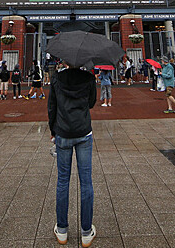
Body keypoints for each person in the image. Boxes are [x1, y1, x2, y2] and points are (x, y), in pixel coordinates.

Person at [48, 62, 97, 247]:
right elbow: (91, 103)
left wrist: (53, 130)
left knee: (62, 181)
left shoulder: (57, 79)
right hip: (83, 132)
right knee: (86, 181)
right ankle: (86, 232)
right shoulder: (89, 78)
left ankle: (62, 230)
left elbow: (52, 106)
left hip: (63, 133)